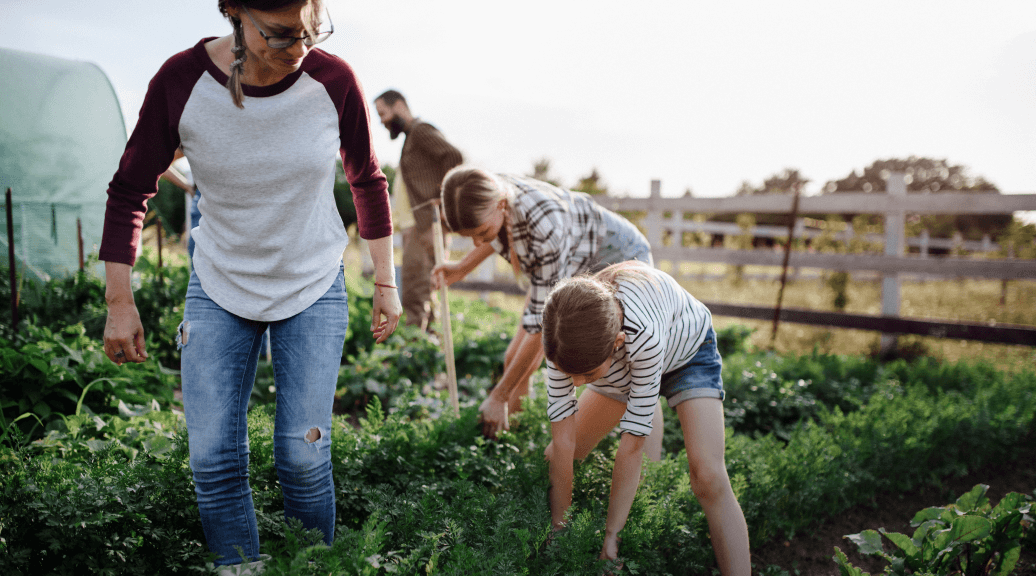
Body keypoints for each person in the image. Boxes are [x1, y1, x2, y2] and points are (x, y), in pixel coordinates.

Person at [98, 0, 401, 570]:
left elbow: (367, 179)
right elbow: (128, 189)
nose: (300, 49)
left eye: (311, 32)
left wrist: (385, 281)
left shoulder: (333, 81)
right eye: (283, 35)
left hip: (312, 282)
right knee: (213, 460)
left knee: (304, 458)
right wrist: (120, 301)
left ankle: (311, 569)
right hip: (219, 283)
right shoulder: (181, 81)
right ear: (235, 11)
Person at [540, 261, 750, 575]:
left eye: (586, 375)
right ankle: (630, 390)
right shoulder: (563, 348)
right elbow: (563, 443)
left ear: (617, 343)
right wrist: (559, 529)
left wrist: (612, 535)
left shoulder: (642, 337)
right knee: (552, 458)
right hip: (618, 366)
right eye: (570, 375)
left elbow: (631, 447)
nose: (578, 384)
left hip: (688, 353)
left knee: (707, 477)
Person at [432, 166, 661, 452]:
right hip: (571, 259)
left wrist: (499, 396)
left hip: (618, 256)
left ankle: (645, 450)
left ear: (501, 206)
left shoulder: (544, 227)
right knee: (512, 359)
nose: (479, 242)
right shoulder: (491, 194)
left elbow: (543, 328)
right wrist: (462, 268)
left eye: (481, 233)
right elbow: (495, 233)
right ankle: (511, 445)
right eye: (472, 238)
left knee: (622, 363)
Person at [373, 90, 463, 331]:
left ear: (399, 105)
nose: (381, 120)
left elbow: (453, 156)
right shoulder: (410, 138)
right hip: (416, 228)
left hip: (425, 227)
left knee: (415, 294)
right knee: (423, 291)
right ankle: (428, 353)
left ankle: (415, 352)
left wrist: (445, 205)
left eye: (383, 113)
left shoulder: (421, 131)